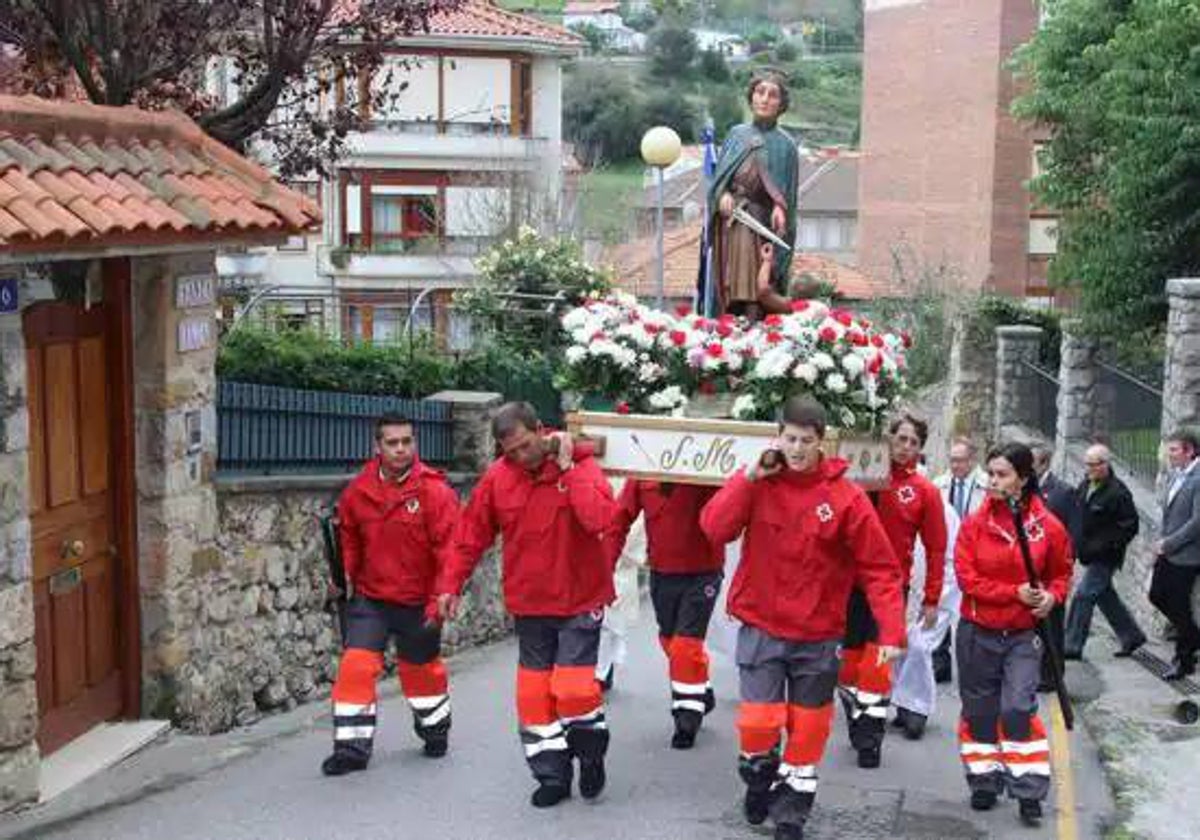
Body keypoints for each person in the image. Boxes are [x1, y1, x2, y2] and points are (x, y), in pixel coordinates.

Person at [700, 396, 905, 840]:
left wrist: (891, 630)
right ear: (778, 437)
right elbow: (714, 528)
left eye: (805, 441)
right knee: (758, 725)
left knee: (808, 732)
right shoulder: (757, 484)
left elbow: (880, 568)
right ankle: (758, 778)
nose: (796, 449)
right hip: (761, 628)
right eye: (789, 439)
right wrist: (748, 477)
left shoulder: (846, 498)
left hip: (818, 635)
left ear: (821, 443)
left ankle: (792, 814)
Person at [436, 402, 618, 808]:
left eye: (525, 445)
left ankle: (590, 753)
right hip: (530, 603)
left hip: (579, 599)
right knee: (534, 698)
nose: (520, 457)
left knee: (572, 691)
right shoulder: (499, 479)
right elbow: (470, 535)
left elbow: (599, 520)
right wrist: (449, 584)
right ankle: (551, 775)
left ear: (541, 430)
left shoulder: (582, 467)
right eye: (510, 451)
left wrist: (569, 471)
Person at [321, 414, 460, 776]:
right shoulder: (358, 492)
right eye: (392, 443)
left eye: (407, 442)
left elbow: (450, 551)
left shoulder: (435, 492)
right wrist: (343, 579)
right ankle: (350, 750)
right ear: (377, 447)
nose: (401, 449)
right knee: (355, 668)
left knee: (421, 676)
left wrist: (443, 595)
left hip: (419, 602)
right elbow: (349, 540)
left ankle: (435, 730)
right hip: (372, 600)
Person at [954, 442, 1072, 827]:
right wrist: (1012, 593)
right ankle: (984, 780)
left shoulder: (1048, 526)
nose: (993, 481)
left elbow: (1061, 572)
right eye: (990, 473)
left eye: (1002, 474)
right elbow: (967, 578)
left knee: (1018, 708)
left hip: (1022, 635)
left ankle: (1028, 788)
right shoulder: (974, 524)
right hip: (977, 631)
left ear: (1023, 479)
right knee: (980, 711)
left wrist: (1051, 598)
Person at [841, 415, 946, 753]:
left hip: (888, 589)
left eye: (913, 442)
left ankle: (870, 740)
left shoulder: (924, 492)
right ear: (888, 439)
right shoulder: (862, 478)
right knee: (847, 667)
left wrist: (932, 600)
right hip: (848, 585)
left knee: (875, 664)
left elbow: (936, 549)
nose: (906, 447)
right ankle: (859, 719)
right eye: (901, 439)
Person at [609, 480, 722, 749]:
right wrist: (606, 561)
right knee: (670, 641)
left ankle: (687, 717)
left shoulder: (709, 468)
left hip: (703, 571)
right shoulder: (642, 478)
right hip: (663, 571)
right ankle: (700, 687)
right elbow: (620, 517)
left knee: (686, 646)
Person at [705, 70, 799, 320]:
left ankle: (755, 322)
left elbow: (787, 192)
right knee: (732, 278)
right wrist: (722, 194)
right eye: (760, 92)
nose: (765, 99)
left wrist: (781, 207)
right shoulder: (737, 135)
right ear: (751, 97)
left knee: (761, 280)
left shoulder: (786, 145)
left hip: (763, 222)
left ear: (781, 104)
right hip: (733, 219)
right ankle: (729, 321)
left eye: (772, 95)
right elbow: (718, 181)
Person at [1063, 444, 1145, 659]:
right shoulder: (1085, 485)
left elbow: (1130, 526)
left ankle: (1071, 645)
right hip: (1087, 553)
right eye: (1087, 464)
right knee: (1105, 596)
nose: (1088, 469)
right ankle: (1132, 636)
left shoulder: (1118, 492)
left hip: (1106, 557)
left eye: (1093, 464)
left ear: (1105, 464)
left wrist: (1105, 545)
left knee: (1083, 595)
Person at [929, 437, 988, 685]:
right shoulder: (938, 485)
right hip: (947, 557)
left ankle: (973, 663)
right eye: (952, 460)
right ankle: (940, 663)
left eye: (960, 460)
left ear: (972, 460)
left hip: (976, 559)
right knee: (941, 606)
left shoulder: (986, 486)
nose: (954, 465)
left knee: (969, 613)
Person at [1150, 429, 1200, 680]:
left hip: (1187, 555)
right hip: (1167, 551)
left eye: (1173, 450)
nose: (1168, 455)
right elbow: (1169, 514)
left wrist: (1168, 544)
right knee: (1156, 595)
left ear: (1189, 450)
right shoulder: (1176, 474)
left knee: (1180, 606)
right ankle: (1193, 636)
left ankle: (1185, 660)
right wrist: (1160, 544)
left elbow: (1197, 522)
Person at [596, 482, 645, 693]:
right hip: (590, 555)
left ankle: (601, 671)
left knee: (610, 624)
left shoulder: (629, 479)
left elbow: (631, 522)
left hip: (619, 562)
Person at [1032, 444, 1075, 689]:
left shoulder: (1063, 492)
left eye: (1033, 463)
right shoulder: (1025, 491)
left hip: (1053, 571)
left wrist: (1067, 567)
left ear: (1045, 463)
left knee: (1054, 626)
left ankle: (1053, 675)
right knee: (1036, 625)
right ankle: (1038, 670)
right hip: (1031, 571)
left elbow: (1073, 533)